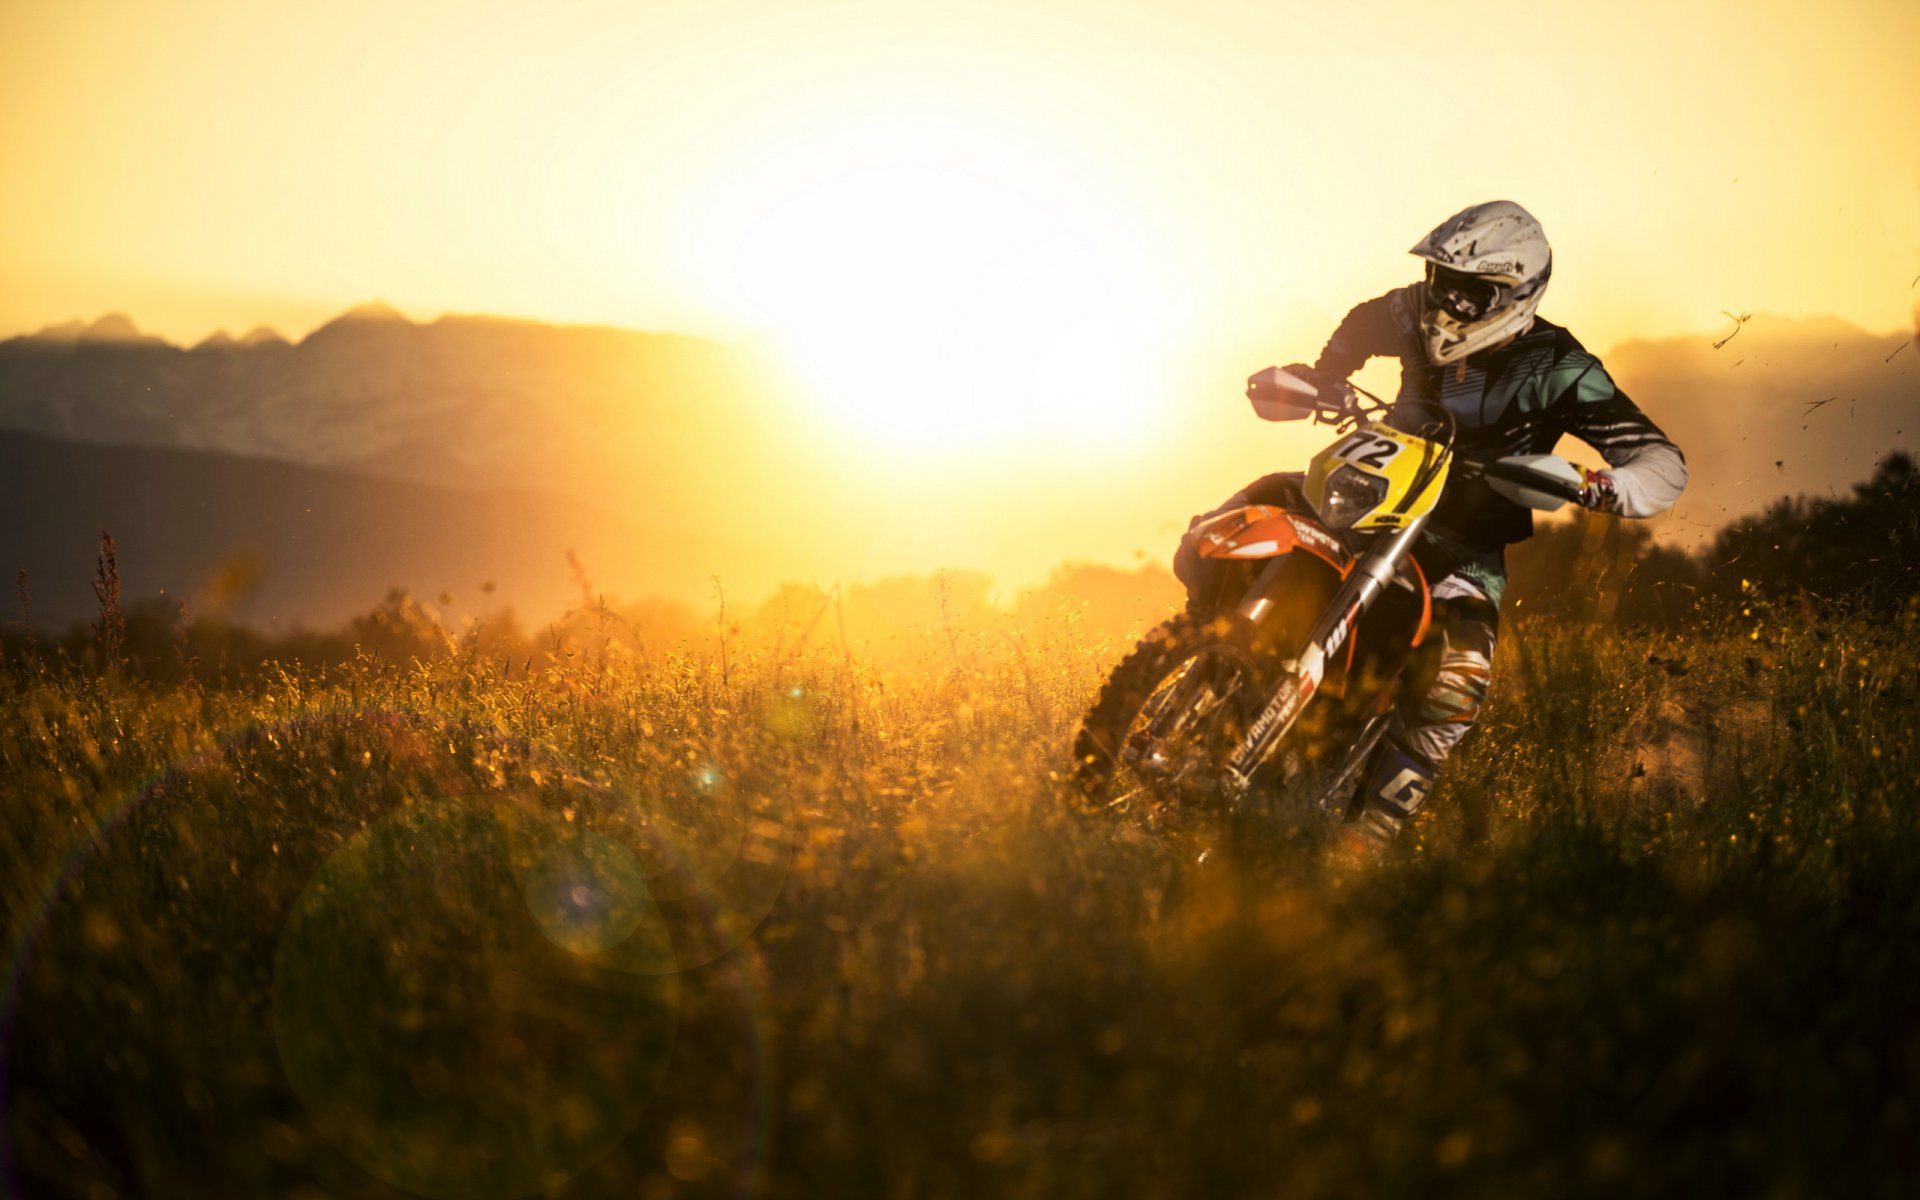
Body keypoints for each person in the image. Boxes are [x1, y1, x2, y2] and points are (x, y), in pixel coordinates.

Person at [1176, 200, 1688, 854]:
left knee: (1457, 681)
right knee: (1234, 518)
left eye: (1469, 292)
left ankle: (1361, 848)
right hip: (1369, 485)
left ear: (1514, 294)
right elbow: (1365, 321)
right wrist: (1330, 375)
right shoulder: (1412, 308)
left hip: (1461, 546)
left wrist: (1588, 485)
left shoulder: (1562, 367)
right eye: (1441, 279)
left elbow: (1662, 464)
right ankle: (1191, 660)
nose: (1446, 300)